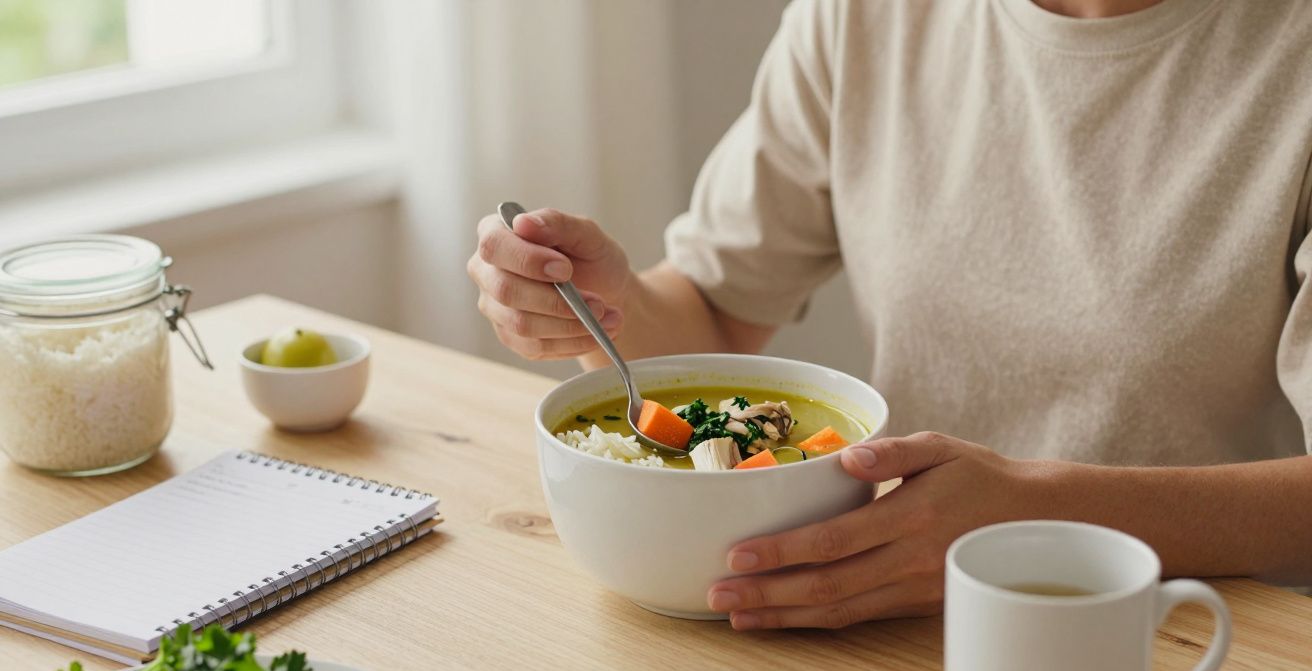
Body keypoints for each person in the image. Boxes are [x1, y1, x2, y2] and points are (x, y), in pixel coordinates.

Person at [466, 0, 1312, 630]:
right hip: (899, 623)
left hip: (1203, 632)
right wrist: (600, 311)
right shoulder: (865, 15)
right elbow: (714, 319)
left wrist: (1035, 512)